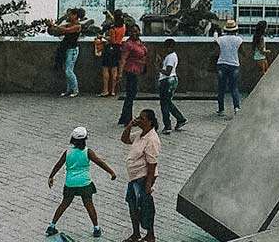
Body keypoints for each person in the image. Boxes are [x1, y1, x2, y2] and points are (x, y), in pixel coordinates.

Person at [47, 126, 117, 238]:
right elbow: (100, 162)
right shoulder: (88, 152)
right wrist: (111, 172)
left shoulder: (67, 153)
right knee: (89, 204)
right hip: (85, 183)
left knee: (64, 203)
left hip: (70, 183)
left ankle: (52, 225)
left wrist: (51, 176)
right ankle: (96, 228)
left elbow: (58, 165)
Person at [120, 109, 161, 242]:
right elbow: (125, 139)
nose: (139, 119)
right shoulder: (140, 134)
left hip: (143, 178)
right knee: (132, 204)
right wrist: (130, 125)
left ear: (149, 122)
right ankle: (136, 233)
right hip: (134, 177)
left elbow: (152, 164)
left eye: (142, 118)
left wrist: (148, 184)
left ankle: (150, 234)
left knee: (146, 206)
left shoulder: (152, 139)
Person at [48, 9, 83, 98]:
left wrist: (56, 25)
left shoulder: (77, 26)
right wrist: (53, 26)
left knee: (69, 71)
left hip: (72, 50)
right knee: (67, 70)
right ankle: (69, 90)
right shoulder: (70, 24)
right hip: (67, 49)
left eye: (70, 15)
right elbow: (61, 28)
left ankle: (75, 90)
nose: (69, 16)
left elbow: (67, 30)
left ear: (75, 16)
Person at [117, 25, 147, 126]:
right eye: (133, 32)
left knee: (131, 95)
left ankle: (123, 117)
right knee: (130, 95)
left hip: (138, 70)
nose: (135, 33)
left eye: (137, 31)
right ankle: (127, 119)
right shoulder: (128, 44)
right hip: (131, 71)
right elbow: (123, 59)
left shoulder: (139, 42)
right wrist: (120, 74)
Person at [156, 39, 187, 134]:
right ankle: (180, 118)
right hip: (171, 80)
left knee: (164, 104)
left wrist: (158, 69)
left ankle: (168, 125)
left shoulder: (170, 57)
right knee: (167, 102)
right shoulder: (172, 56)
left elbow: (168, 71)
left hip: (167, 80)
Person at [215, 19, 243, 117]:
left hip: (222, 64)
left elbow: (216, 51)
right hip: (234, 64)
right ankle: (236, 108)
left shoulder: (220, 39)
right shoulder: (238, 40)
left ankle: (221, 109)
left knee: (221, 88)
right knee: (234, 88)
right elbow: (242, 52)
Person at [99, 10, 124, 98]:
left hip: (110, 48)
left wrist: (102, 36)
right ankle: (113, 91)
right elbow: (115, 19)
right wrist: (109, 13)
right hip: (118, 48)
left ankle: (105, 90)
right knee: (115, 70)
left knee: (106, 69)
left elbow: (111, 40)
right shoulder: (123, 27)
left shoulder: (113, 28)